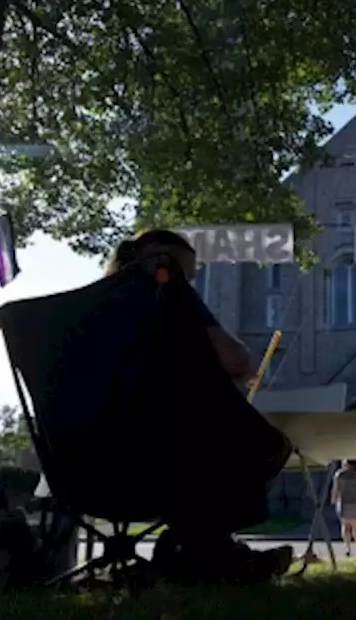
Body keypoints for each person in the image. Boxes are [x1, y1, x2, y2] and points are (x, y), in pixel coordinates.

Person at [106, 229, 294, 584]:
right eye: (189, 276)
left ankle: (208, 551)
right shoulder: (168, 293)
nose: (189, 284)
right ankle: (203, 552)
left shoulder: (90, 309)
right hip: (160, 462)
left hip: (85, 464)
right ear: (167, 267)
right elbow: (237, 361)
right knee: (262, 442)